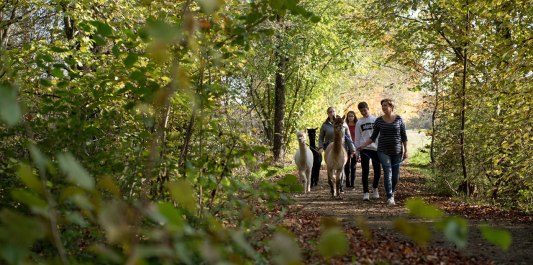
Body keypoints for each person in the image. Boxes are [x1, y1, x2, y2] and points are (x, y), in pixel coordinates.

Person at [357, 99, 408, 206]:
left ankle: (391, 191)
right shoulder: (379, 120)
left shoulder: (399, 119)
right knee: (387, 173)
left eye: (385, 105)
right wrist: (362, 145)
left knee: (395, 176)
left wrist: (406, 150)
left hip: (397, 151)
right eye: (382, 106)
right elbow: (373, 137)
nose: (383, 107)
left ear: (391, 106)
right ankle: (389, 197)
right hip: (383, 150)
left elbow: (404, 136)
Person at [318, 107, 356, 193]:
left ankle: (340, 187)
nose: (332, 113)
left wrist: (352, 149)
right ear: (328, 114)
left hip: (341, 146)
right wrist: (320, 147)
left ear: (336, 112)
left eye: (333, 111)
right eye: (330, 112)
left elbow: (348, 137)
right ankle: (332, 187)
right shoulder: (325, 125)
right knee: (330, 168)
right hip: (329, 148)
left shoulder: (343, 123)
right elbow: (320, 137)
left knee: (340, 168)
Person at [354, 102, 381, 201]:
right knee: (365, 171)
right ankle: (365, 192)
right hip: (364, 149)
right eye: (361, 111)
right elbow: (357, 138)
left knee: (377, 170)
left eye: (365, 110)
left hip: (376, 148)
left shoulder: (376, 120)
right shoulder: (359, 122)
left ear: (368, 108)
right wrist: (357, 153)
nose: (363, 112)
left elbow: (380, 135)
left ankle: (375, 188)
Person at [344, 111, 358, 190]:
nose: (350, 117)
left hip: (355, 148)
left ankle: (353, 183)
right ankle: (347, 182)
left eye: (352, 116)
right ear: (347, 117)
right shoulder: (345, 126)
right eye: (349, 116)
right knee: (346, 166)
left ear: (354, 116)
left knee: (353, 166)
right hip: (346, 148)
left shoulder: (357, 125)